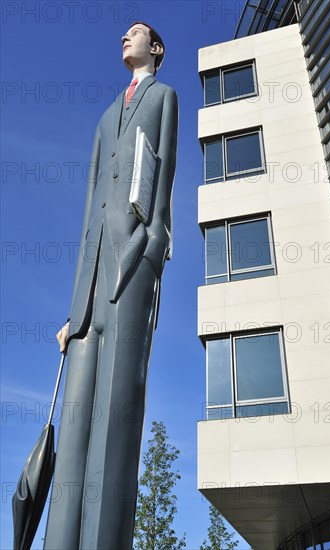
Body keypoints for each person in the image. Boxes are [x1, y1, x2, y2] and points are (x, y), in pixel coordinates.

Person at [43, 22, 178, 550]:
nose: (126, 38)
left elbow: (161, 183)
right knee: (73, 434)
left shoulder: (163, 97)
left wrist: (149, 246)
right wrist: (73, 309)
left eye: (136, 33)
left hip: (133, 262)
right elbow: (87, 216)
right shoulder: (104, 119)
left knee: (114, 424)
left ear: (156, 48)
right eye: (123, 34)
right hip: (90, 287)